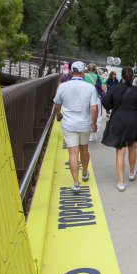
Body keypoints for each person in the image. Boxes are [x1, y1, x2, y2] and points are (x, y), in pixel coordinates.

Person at [102, 68, 137, 191]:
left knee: (120, 152)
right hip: (134, 122)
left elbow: (106, 103)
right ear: (132, 77)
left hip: (118, 121)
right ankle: (131, 173)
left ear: (122, 77)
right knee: (132, 148)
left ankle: (121, 182)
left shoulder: (114, 88)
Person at [53, 61, 99, 193]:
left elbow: (57, 104)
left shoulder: (63, 86)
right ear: (83, 73)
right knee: (84, 150)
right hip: (84, 124)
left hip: (69, 124)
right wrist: (94, 123)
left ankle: (76, 183)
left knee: (73, 153)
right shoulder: (90, 88)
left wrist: (58, 114)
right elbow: (94, 108)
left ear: (72, 72)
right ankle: (85, 172)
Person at [84, 63, 106, 141]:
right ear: (95, 69)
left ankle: (87, 134)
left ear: (88, 69)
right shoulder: (99, 77)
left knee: (87, 115)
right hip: (96, 98)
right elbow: (103, 89)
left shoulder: (84, 76)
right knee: (98, 116)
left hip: (85, 98)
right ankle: (94, 132)